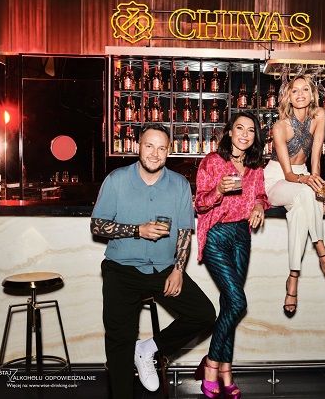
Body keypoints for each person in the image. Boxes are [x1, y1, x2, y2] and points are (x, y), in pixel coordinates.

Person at [91, 123, 216, 399]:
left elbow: (184, 233)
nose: (154, 153)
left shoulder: (179, 184)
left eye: (161, 148)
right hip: (121, 270)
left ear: (168, 152)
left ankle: (148, 349)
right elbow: (97, 225)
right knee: (120, 342)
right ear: (138, 146)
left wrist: (178, 270)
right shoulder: (117, 180)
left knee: (204, 314)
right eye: (149, 146)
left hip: (163, 269)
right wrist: (138, 230)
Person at [194, 112, 270, 399]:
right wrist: (218, 190)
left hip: (241, 235)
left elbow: (261, 195)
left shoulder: (255, 166)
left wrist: (259, 206)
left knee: (229, 303)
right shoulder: (212, 161)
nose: (245, 134)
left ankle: (226, 371)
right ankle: (212, 365)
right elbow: (199, 204)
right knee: (238, 302)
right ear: (228, 132)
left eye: (251, 130)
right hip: (216, 234)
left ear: (255, 137)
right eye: (240, 128)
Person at [264, 75, 325, 318]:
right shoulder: (280, 127)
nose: (300, 94)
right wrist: (307, 183)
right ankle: (323, 252)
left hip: (304, 177)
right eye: (294, 90)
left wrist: (316, 184)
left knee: (301, 209)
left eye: (305, 90)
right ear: (288, 97)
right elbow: (289, 173)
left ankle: (293, 277)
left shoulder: (319, 115)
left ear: (312, 95)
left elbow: (316, 155)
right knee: (304, 193)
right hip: (278, 177)